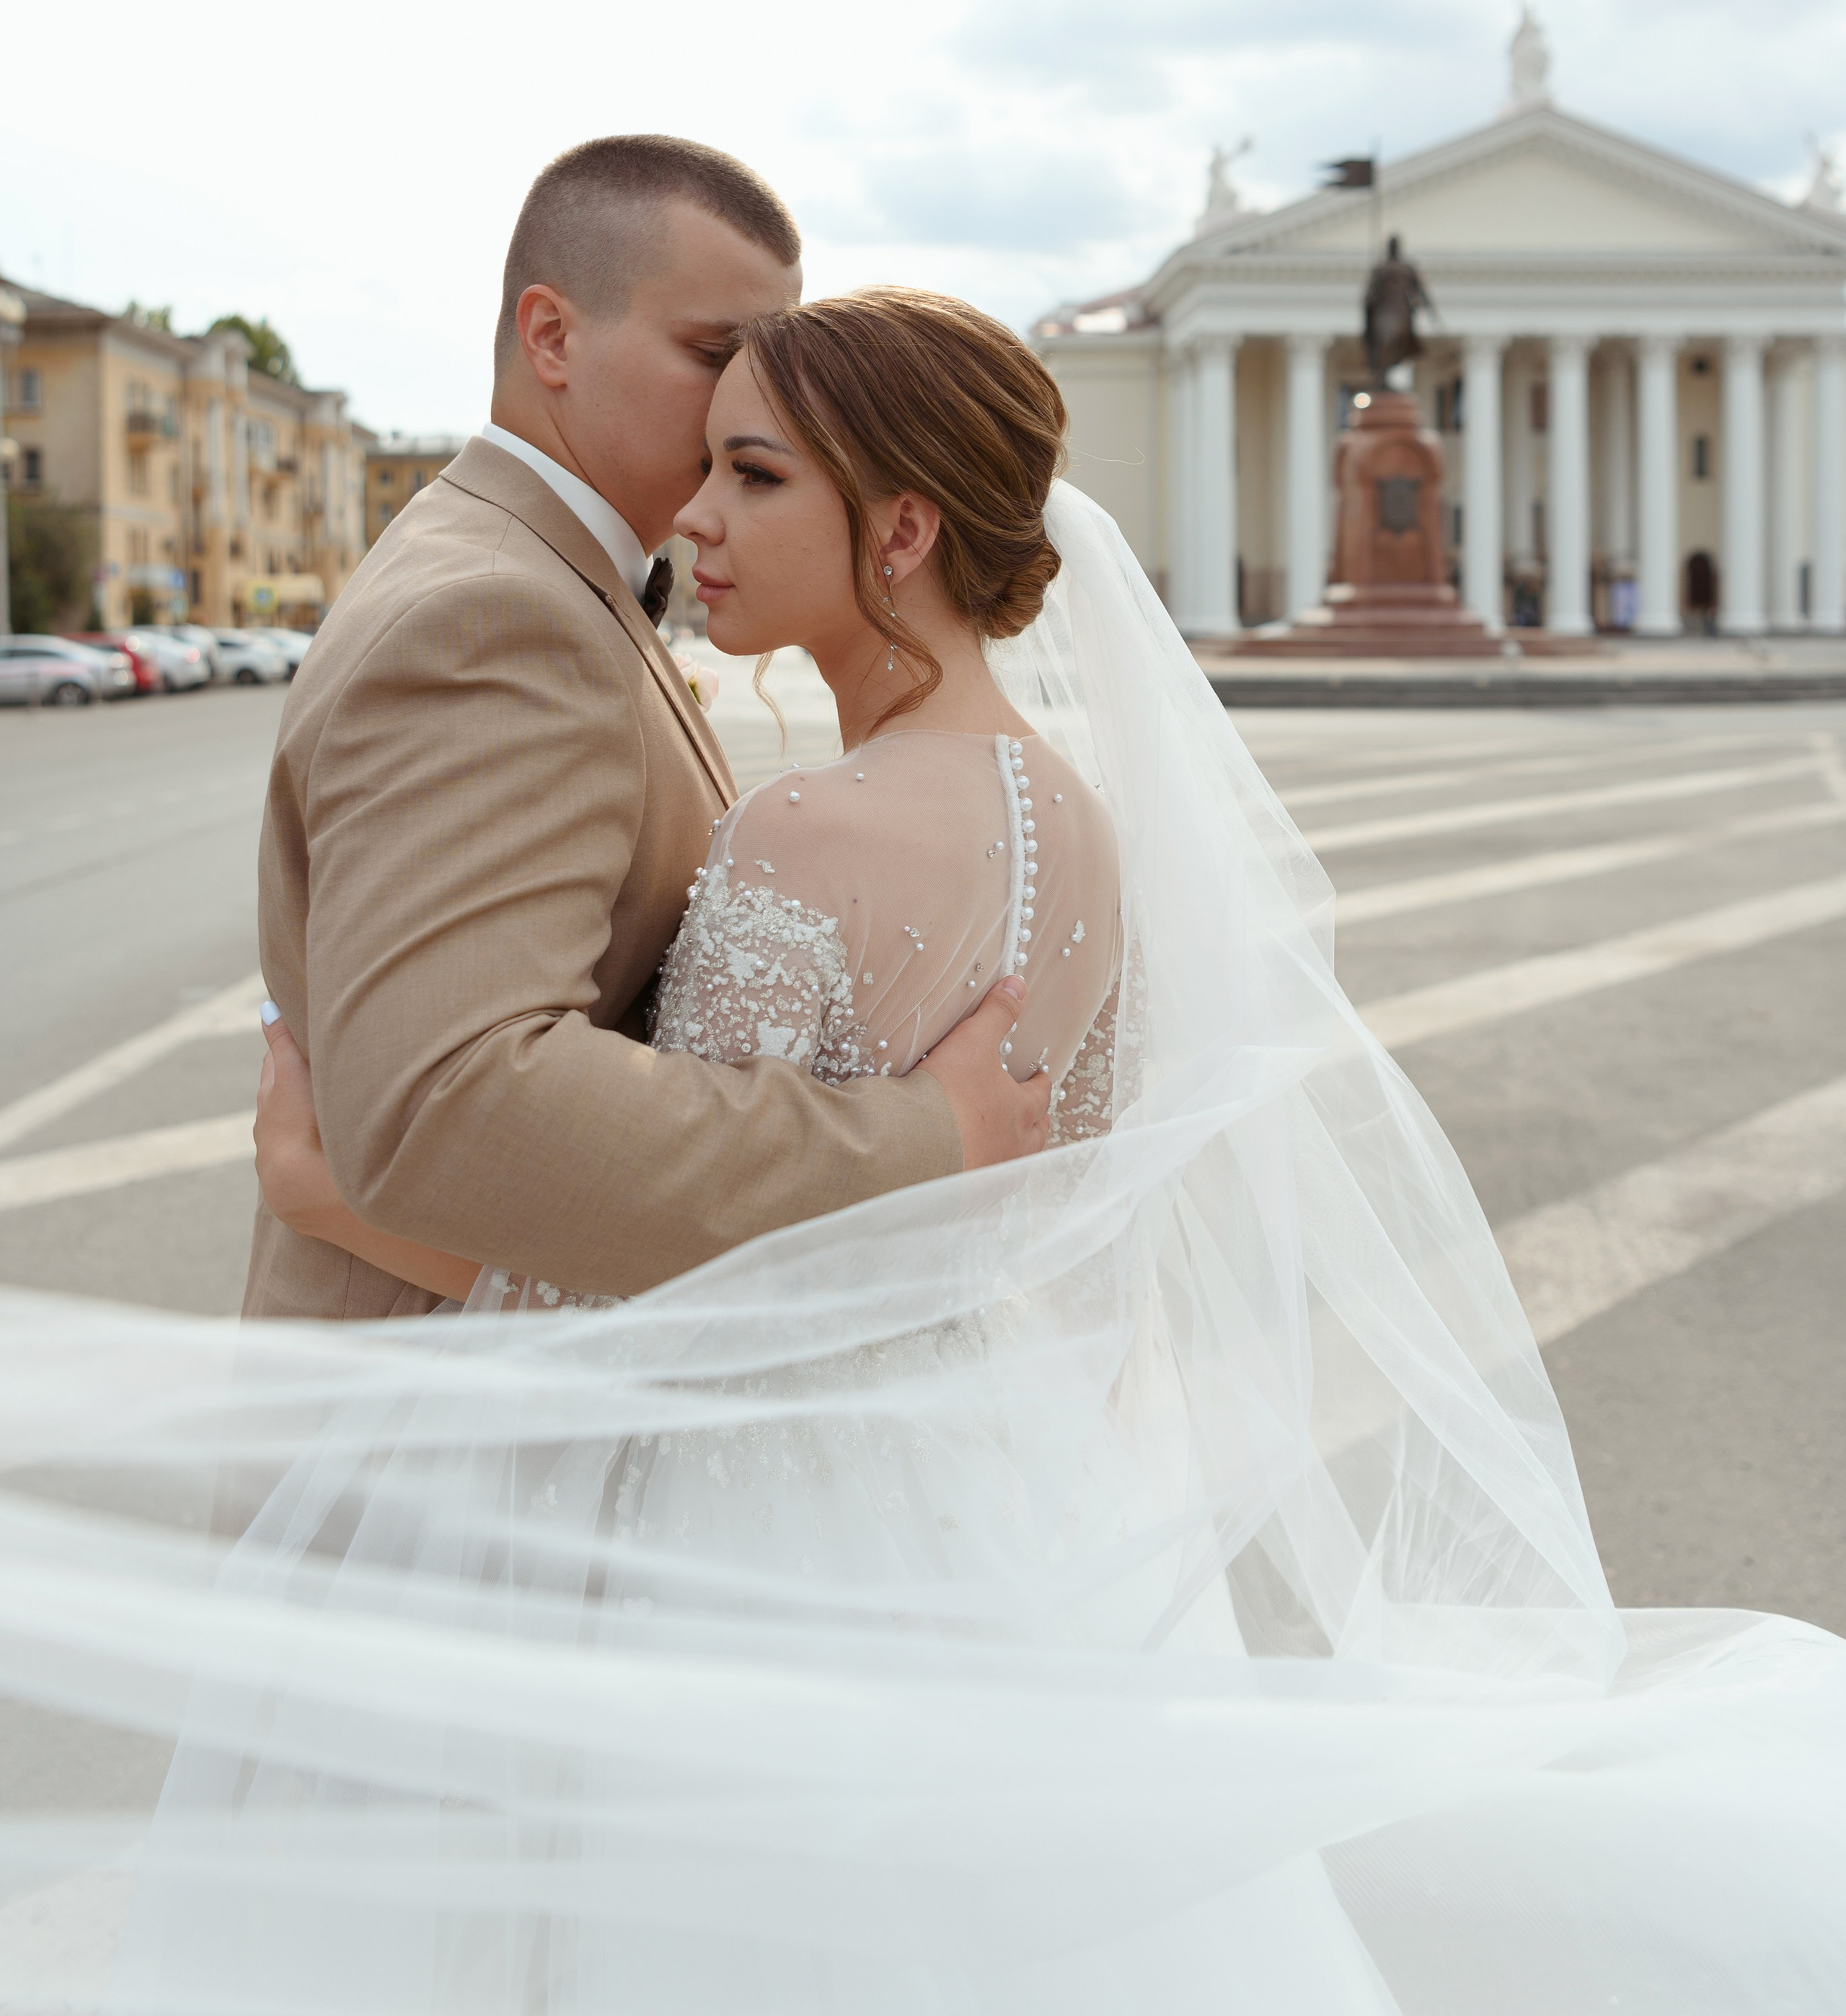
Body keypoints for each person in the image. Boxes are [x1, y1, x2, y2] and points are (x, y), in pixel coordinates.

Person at [6, 290, 1846, 2013]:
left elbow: (658, 1265)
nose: (696, 516)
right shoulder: (1081, 823)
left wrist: (327, 1182)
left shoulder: (806, 832)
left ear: (896, 532)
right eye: (710, 461)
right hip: (1000, 1508)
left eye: (755, 474)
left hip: (759, 1563)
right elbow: (1045, 1231)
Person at [245, 136, 1049, 1331]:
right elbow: (449, 1102)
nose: (752, 396)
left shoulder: (536, 578)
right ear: (553, 337)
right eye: (716, 353)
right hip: (445, 1444)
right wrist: (917, 1146)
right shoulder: (496, 611)